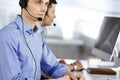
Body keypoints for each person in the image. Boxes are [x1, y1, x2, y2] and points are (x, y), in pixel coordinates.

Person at [0, 0, 85, 80]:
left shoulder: (37, 35)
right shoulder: (7, 35)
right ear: (23, 3)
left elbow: (53, 66)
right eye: (38, 2)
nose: (44, 9)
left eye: (46, 4)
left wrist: (67, 74)